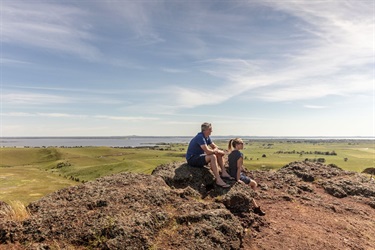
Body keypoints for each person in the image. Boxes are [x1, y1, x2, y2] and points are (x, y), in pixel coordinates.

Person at [186, 122, 233, 188]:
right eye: (210, 129)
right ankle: (218, 180)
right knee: (212, 156)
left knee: (218, 154)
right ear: (205, 130)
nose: (211, 131)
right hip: (192, 159)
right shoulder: (200, 137)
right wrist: (215, 151)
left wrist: (218, 151)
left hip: (199, 157)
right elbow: (208, 152)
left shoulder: (207, 137)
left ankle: (224, 172)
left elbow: (215, 146)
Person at [228, 138, 266, 216]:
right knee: (254, 184)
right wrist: (238, 179)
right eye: (241, 143)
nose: (243, 145)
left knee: (250, 186)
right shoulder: (239, 154)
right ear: (237, 145)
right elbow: (239, 168)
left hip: (232, 174)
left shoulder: (230, 153)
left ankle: (255, 206)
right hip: (237, 175)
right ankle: (253, 203)